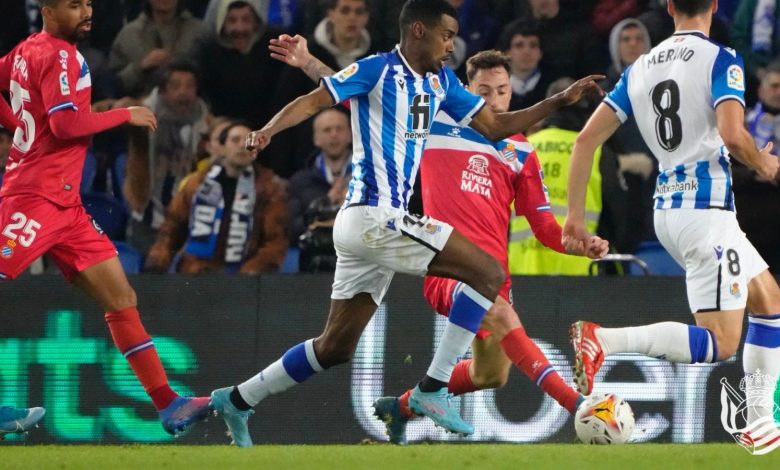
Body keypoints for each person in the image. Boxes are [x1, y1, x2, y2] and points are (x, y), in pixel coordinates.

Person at [207, 0, 603, 448]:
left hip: (368, 228)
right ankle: (435, 389)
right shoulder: (380, 71)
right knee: (488, 273)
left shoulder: (441, 85)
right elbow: (319, 99)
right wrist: (268, 129)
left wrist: (558, 100)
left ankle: (238, 399)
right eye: (446, 36)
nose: (451, 46)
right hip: (377, 215)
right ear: (419, 30)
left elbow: (494, 125)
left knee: (335, 346)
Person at [563, 0, 780, 431]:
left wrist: (574, 218)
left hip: (670, 208)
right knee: (720, 341)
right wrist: (764, 164)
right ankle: (603, 339)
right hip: (705, 214)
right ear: (715, 5)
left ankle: (761, 424)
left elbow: (585, 141)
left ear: (668, 7)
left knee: (769, 301)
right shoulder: (721, 58)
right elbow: (734, 136)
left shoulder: (640, 67)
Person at [0, 0, 209, 436]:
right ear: (48, 9)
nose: (86, 11)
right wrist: (124, 114)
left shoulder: (26, 50)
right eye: (74, 4)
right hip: (33, 199)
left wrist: (19, 126)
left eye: (88, 3)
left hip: (67, 206)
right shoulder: (58, 54)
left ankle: (169, 403)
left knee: (121, 298)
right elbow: (64, 126)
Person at [145, 121, 288, 274]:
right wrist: (158, 260)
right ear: (222, 148)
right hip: (196, 274)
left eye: (250, 142)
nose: (243, 146)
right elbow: (172, 227)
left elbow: (276, 240)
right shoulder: (196, 183)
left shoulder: (269, 188)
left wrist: (250, 273)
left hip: (244, 278)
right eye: (235, 140)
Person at [508, 78, 602, 275]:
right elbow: (621, 218)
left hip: (523, 266)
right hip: (578, 267)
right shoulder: (596, 151)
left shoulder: (523, 148)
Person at [734, 62, 780, 273]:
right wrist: (754, 173)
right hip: (748, 224)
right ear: (761, 90)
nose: (778, 92)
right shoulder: (738, 128)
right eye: (774, 86)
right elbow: (721, 171)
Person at [108, 0, 202, 97]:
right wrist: (141, 66)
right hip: (140, 102)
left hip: (188, 102)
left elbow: (208, 78)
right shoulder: (129, 34)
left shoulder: (198, 32)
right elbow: (114, 85)